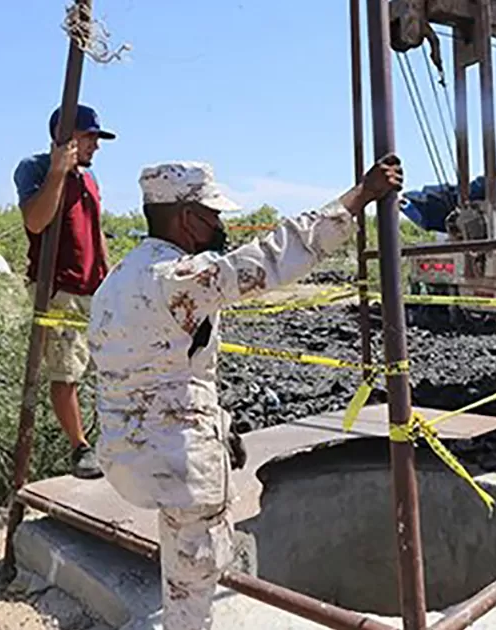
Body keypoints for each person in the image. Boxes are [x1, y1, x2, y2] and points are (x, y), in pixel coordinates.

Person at [87, 156, 403, 630]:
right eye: (213, 216)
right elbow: (274, 257)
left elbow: (164, 368)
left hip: (127, 452)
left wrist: (222, 424)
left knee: (181, 566)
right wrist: (360, 196)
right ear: (188, 218)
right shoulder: (179, 277)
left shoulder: (120, 278)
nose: (220, 226)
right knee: (193, 585)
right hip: (178, 461)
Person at [13, 103, 115, 479]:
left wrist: (111, 276)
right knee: (67, 370)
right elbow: (36, 221)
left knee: (110, 362)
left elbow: (95, 232)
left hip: (95, 287)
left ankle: (115, 439)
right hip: (59, 290)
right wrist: (58, 171)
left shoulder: (90, 179)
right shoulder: (35, 168)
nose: (96, 146)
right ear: (67, 138)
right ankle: (80, 448)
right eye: (90, 137)